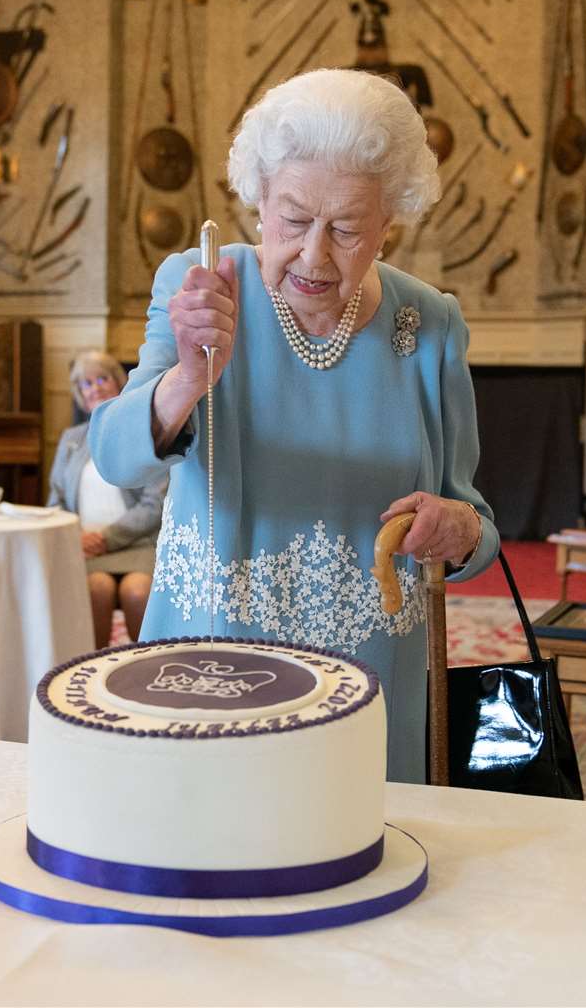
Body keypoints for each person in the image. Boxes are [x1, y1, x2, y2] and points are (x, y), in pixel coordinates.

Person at [90, 69, 500, 783]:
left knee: (359, 872)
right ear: (256, 204)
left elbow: (476, 521)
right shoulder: (201, 283)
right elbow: (115, 458)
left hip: (370, 682)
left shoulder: (428, 323)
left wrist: (459, 528)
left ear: (387, 225)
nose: (313, 254)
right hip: (211, 670)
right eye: (292, 219)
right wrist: (187, 376)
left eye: (345, 229)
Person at [47, 351, 167, 648]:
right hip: (85, 549)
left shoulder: (142, 433)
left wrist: (106, 537)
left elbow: (155, 504)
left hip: (137, 544)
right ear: (79, 394)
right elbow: (55, 502)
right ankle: (90, 676)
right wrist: (78, 538)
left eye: (102, 378)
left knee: (137, 592)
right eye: (86, 383)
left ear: (118, 383)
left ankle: (152, 672)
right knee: (95, 590)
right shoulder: (71, 439)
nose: (95, 387)